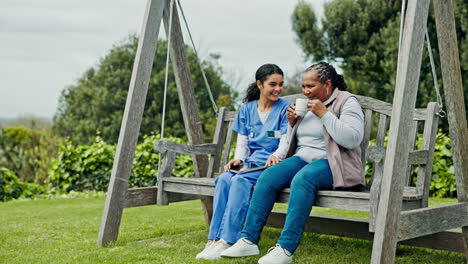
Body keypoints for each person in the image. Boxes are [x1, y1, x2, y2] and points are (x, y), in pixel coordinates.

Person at [220, 61, 365, 264]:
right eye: (303, 87)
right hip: (301, 158)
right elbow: (296, 140)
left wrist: (324, 113)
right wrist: (292, 123)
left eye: (310, 86)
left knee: (303, 179)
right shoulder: (305, 104)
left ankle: (285, 249)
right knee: (268, 176)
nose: (305, 92)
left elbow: (352, 139)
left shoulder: (346, 102)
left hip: (333, 163)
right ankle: (248, 240)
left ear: (328, 84)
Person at [195, 63, 291, 260]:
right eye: (273, 84)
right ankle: (214, 240)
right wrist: (238, 159)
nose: (278, 89)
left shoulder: (284, 109)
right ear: (260, 84)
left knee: (239, 181)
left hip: (273, 164)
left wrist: (279, 155)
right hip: (252, 162)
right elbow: (243, 142)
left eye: (281, 84)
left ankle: (228, 239)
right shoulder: (247, 109)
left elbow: (286, 140)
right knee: (223, 179)